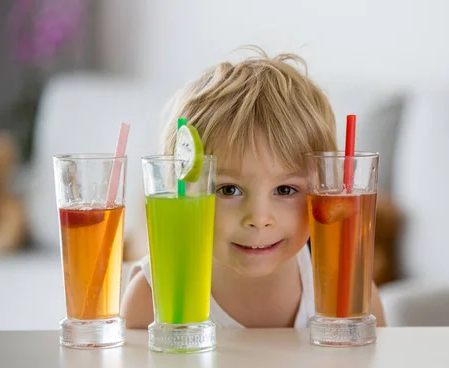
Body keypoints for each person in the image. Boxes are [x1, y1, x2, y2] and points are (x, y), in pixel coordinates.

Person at [121, 47, 386, 328]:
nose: (259, 219)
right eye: (229, 190)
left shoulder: (352, 296)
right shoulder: (152, 300)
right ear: (183, 191)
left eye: (285, 190)